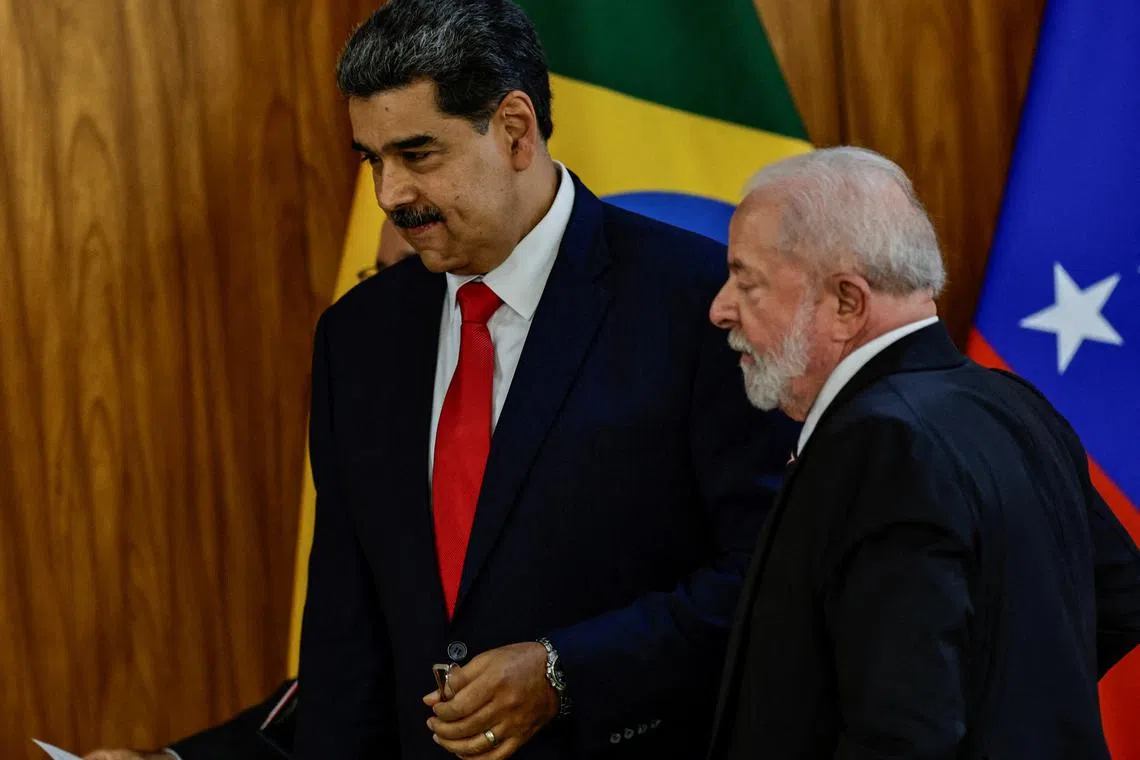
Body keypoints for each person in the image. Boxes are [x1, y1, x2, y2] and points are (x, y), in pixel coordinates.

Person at [295, 1, 797, 758]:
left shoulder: (696, 305)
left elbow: (765, 577)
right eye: (373, 158)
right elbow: (345, 629)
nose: (389, 196)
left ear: (515, 130)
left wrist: (568, 673)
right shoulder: (356, 337)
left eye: (418, 154)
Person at [705, 146, 1140, 759]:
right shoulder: (1012, 401)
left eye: (744, 279)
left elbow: (901, 733)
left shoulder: (879, 443)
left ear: (846, 303)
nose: (720, 308)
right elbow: (1117, 594)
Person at [82, 221, 416, 760]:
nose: (383, 303)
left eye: (407, 272)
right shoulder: (379, 432)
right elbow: (343, 687)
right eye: (377, 275)